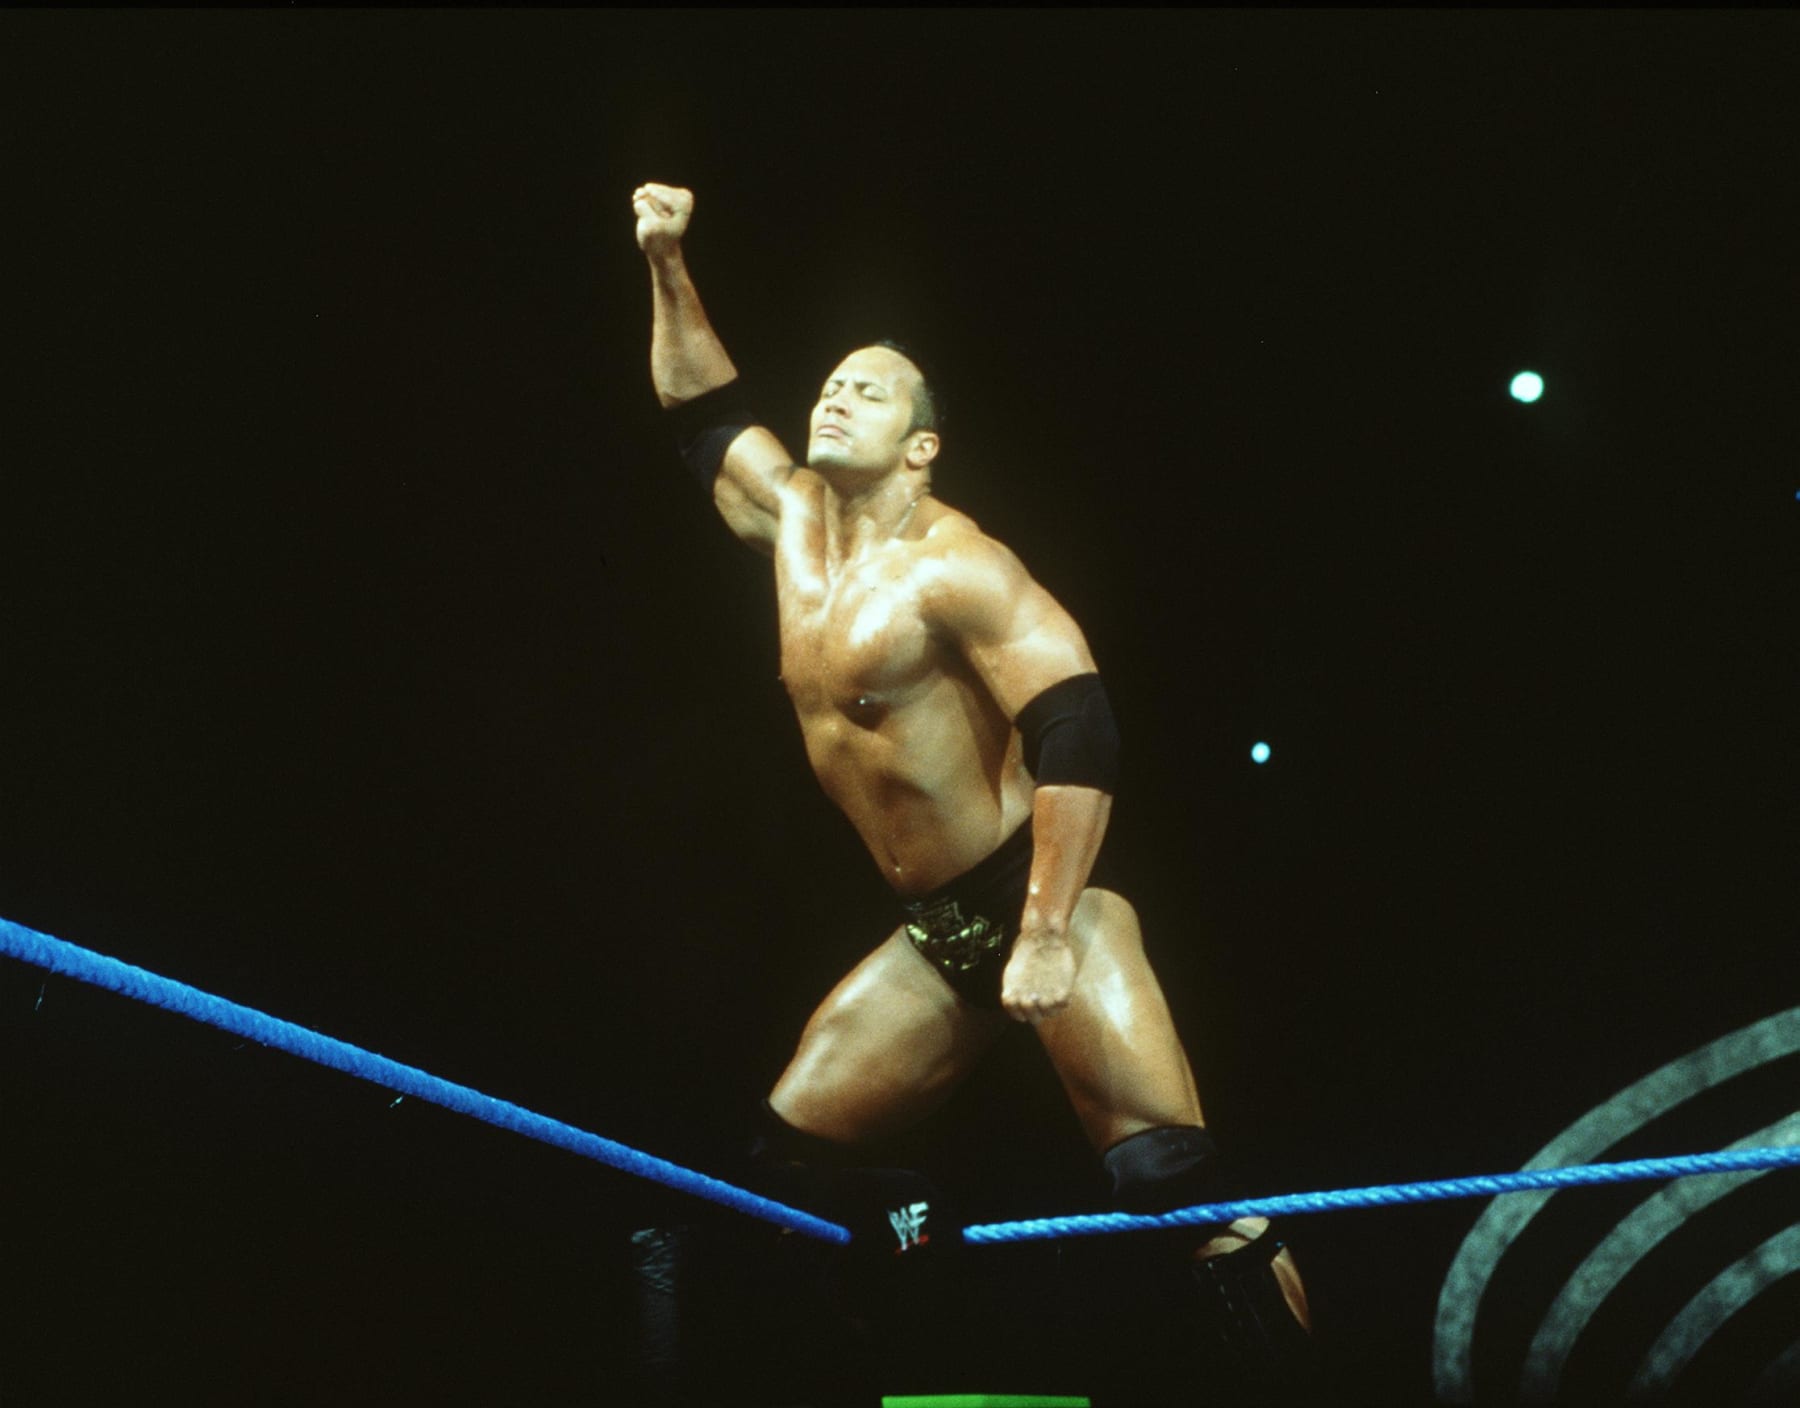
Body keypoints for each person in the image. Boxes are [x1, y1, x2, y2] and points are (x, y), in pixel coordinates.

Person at [629, 180, 1311, 1374]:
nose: (837, 392)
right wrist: (667, 258)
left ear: (921, 445)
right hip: (935, 935)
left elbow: (1080, 726)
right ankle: (884, 1280)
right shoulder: (791, 526)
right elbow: (701, 409)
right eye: (832, 380)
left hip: (1035, 898)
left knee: (1174, 1185)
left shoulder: (959, 567)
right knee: (778, 1172)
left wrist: (1045, 928)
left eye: (872, 388)